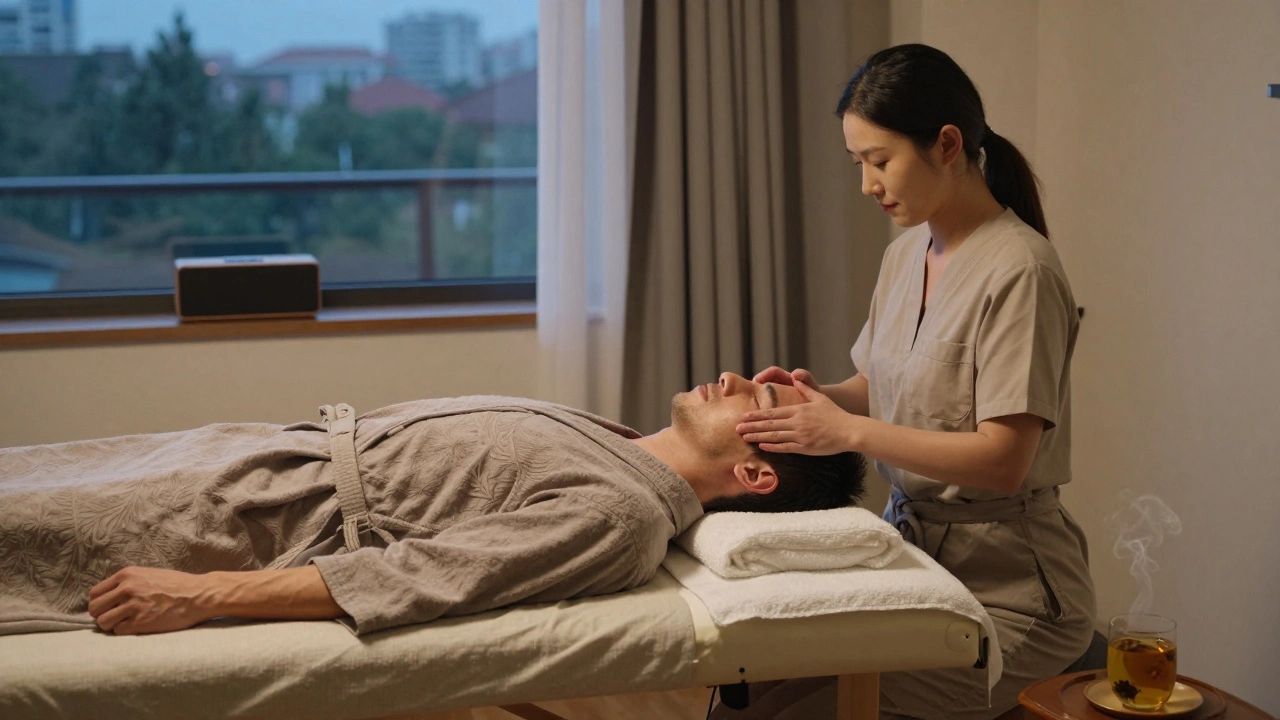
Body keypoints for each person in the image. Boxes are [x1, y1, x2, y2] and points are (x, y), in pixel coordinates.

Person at [724, 44, 1096, 720]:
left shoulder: (1023, 271)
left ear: (947, 145)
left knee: (806, 712)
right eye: (858, 164)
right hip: (920, 563)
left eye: (880, 161)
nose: (868, 185)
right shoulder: (904, 256)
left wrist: (847, 431)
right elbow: (882, 385)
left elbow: (1004, 460)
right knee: (751, 701)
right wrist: (817, 398)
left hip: (1014, 594)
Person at [0, 373, 864, 638]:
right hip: (245, 456)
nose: (737, 376)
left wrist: (202, 594)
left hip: (248, 519)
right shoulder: (616, 444)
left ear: (756, 474)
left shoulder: (620, 516)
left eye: (761, 399)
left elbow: (421, 575)